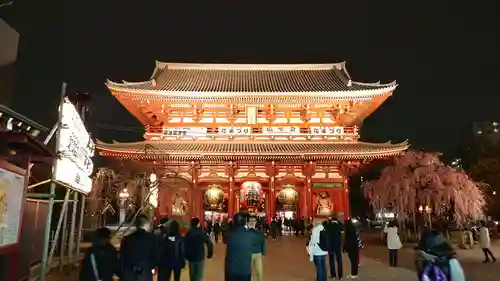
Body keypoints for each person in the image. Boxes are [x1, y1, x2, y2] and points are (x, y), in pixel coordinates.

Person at [120, 214, 160, 281]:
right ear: (146, 225)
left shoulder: (127, 239)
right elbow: (156, 256)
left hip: (129, 273)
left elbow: (122, 257)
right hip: (145, 273)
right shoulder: (152, 238)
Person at [225, 212, 254, 281]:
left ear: (234, 222)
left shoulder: (229, 235)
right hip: (245, 269)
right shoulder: (250, 234)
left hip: (231, 269)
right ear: (245, 223)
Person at [248, 215, 266, 281]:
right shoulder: (246, 232)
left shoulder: (259, 232)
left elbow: (263, 243)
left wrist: (263, 253)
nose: (252, 222)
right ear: (248, 222)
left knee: (260, 272)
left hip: (258, 254)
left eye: (253, 221)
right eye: (250, 221)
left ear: (256, 222)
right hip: (249, 254)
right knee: (249, 273)